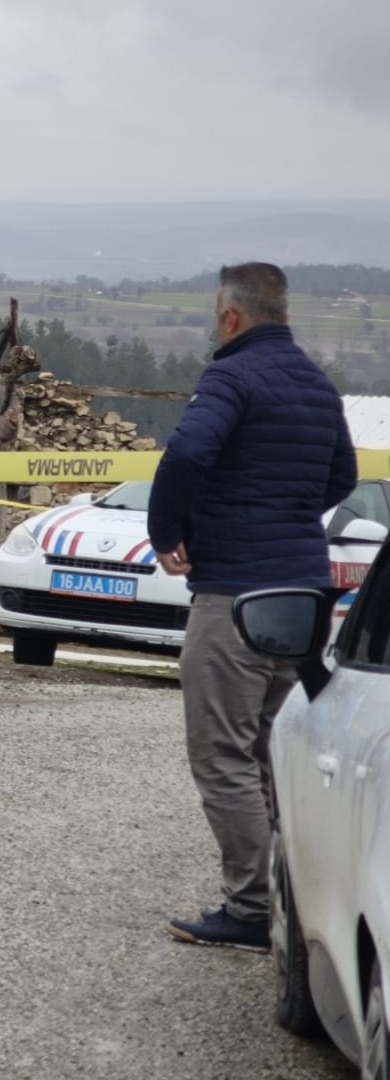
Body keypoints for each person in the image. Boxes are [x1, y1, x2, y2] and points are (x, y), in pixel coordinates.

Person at [148, 262, 356, 951]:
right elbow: (343, 476)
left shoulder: (232, 377)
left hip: (235, 592)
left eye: (215, 312)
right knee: (274, 750)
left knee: (221, 753)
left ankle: (248, 907)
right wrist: (284, 515)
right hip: (302, 592)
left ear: (232, 316)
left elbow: (184, 453)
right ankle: (292, 901)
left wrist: (167, 532)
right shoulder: (318, 385)